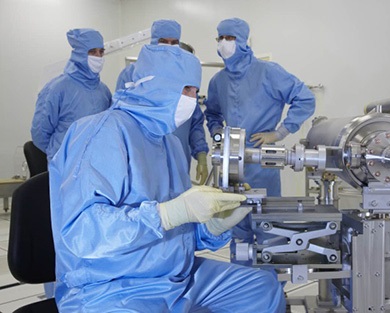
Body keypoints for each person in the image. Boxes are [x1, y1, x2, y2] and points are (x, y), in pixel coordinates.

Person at [48, 44, 286, 312]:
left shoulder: (169, 143)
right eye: (186, 89)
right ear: (153, 84)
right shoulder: (102, 133)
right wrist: (167, 214)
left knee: (262, 290)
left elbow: (180, 233)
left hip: (177, 279)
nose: (192, 99)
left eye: (196, 91)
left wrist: (212, 227)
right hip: (111, 287)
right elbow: (83, 233)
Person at [204, 17, 316, 267]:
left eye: (230, 38)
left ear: (243, 41)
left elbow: (305, 98)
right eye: (220, 38)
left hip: (263, 163)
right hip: (232, 165)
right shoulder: (218, 81)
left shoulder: (269, 72)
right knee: (237, 228)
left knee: (268, 227)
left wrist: (280, 133)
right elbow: (211, 113)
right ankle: (244, 289)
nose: (224, 43)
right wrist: (217, 134)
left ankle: (271, 290)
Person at [116, 19, 209, 185]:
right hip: (143, 156)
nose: (168, 46)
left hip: (178, 154)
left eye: (173, 43)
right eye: (163, 42)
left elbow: (194, 121)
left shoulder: (184, 78)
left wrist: (201, 154)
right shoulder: (132, 75)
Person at [31, 28, 112, 161]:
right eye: (92, 52)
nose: (98, 57)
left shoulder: (103, 91)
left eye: (101, 52)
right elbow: (39, 133)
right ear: (79, 54)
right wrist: (60, 154)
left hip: (96, 162)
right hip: (66, 164)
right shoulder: (57, 88)